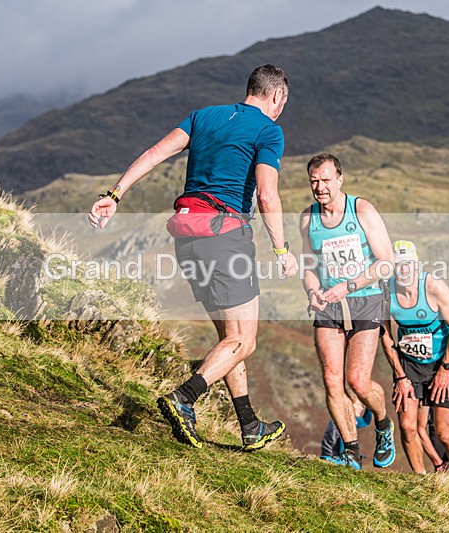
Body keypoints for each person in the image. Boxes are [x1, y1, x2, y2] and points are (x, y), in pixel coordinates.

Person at [88, 65, 298, 451]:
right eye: (283, 103)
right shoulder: (269, 130)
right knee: (244, 340)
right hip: (224, 238)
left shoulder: (203, 116)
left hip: (186, 238)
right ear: (276, 97)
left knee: (228, 337)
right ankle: (184, 398)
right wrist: (282, 250)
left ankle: (249, 424)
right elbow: (267, 195)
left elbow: (155, 153)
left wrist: (114, 195)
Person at [300, 152, 395, 470]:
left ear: (340, 179)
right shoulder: (308, 218)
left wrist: (349, 285)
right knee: (331, 379)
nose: (320, 187)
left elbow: (386, 262)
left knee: (357, 381)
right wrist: (312, 291)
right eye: (314, 181)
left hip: (365, 299)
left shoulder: (362, 210)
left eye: (326, 180)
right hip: (329, 304)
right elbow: (309, 266)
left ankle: (383, 423)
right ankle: (351, 450)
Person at [380, 240, 449, 473]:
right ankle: (420, 481)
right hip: (408, 364)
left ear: (416, 265)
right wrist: (400, 376)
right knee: (408, 427)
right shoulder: (386, 291)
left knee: (445, 433)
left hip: (440, 362)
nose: (404, 269)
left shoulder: (434, 287)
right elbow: (386, 335)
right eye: (398, 264)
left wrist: (445, 369)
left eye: (408, 264)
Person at [320, 391, 373, 461]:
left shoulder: (350, 420)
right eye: (358, 405)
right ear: (349, 405)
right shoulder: (342, 422)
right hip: (332, 458)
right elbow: (343, 445)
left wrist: (369, 406)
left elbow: (365, 422)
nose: (361, 408)